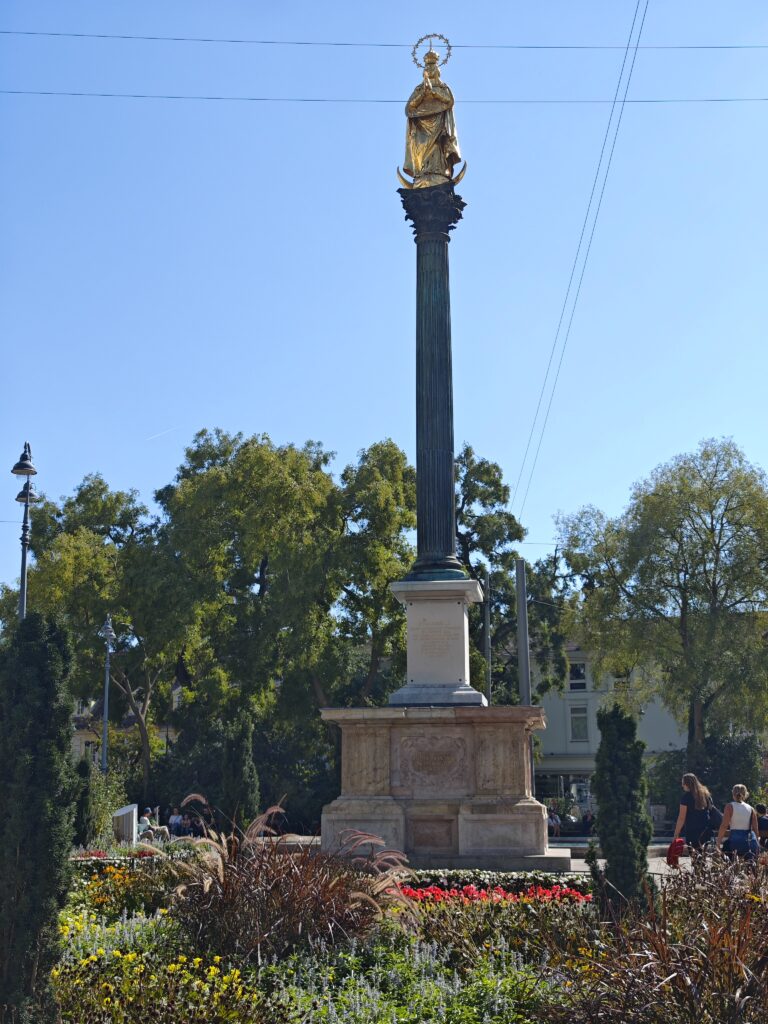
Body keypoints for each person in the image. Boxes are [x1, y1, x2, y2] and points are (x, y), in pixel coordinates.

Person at [402, 48, 461, 188]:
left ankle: (439, 172)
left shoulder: (443, 88)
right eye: (427, 66)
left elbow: (449, 102)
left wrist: (433, 92)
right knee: (421, 148)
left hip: (439, 125)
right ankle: (423, 172)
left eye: (432, 66)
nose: (430, 69)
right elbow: (409, 109)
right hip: (421, 126)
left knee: (437, 147)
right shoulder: (418, 89)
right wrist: (423, 93)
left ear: (437, 68)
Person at [673, 773, 716, 850]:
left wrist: (676, 834)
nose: (682, 785)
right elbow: (711, 810)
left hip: (692, 831)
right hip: (706, 830)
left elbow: (681, 818)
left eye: (683, 783)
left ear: (687, 784)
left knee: (695, 857)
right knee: (702, 856)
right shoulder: (706, 795)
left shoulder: (686, 797)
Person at [717, 785, 759, 859]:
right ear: (745, 794)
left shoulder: (729, 806)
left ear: (733, 794)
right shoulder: (751, 809)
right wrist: (757, 844)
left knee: (726, 854)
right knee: (751, 867)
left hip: (735, 842)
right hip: (750, 843)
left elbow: (724, 825)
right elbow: (755, 829)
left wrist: (718, 842)